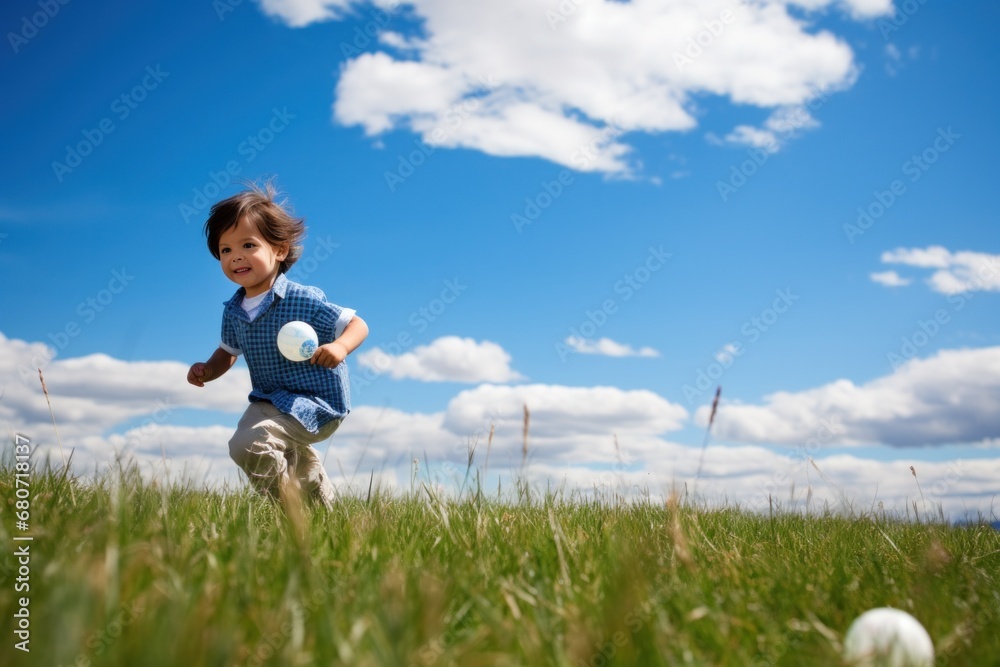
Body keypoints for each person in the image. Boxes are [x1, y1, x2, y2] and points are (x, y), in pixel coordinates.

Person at [186, 180, 368, 509]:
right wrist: (208, 370)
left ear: (279, 250)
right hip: (269, 400)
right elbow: (228, 352)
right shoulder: (233, 311)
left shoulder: (302, 298)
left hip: (315, 402)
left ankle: (288, 508)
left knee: (248, 444)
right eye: (225, 250)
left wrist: (340, 347)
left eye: (248, 245)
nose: (235, 257)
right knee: (271, 451)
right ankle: (319, 508)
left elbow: (357, 324)